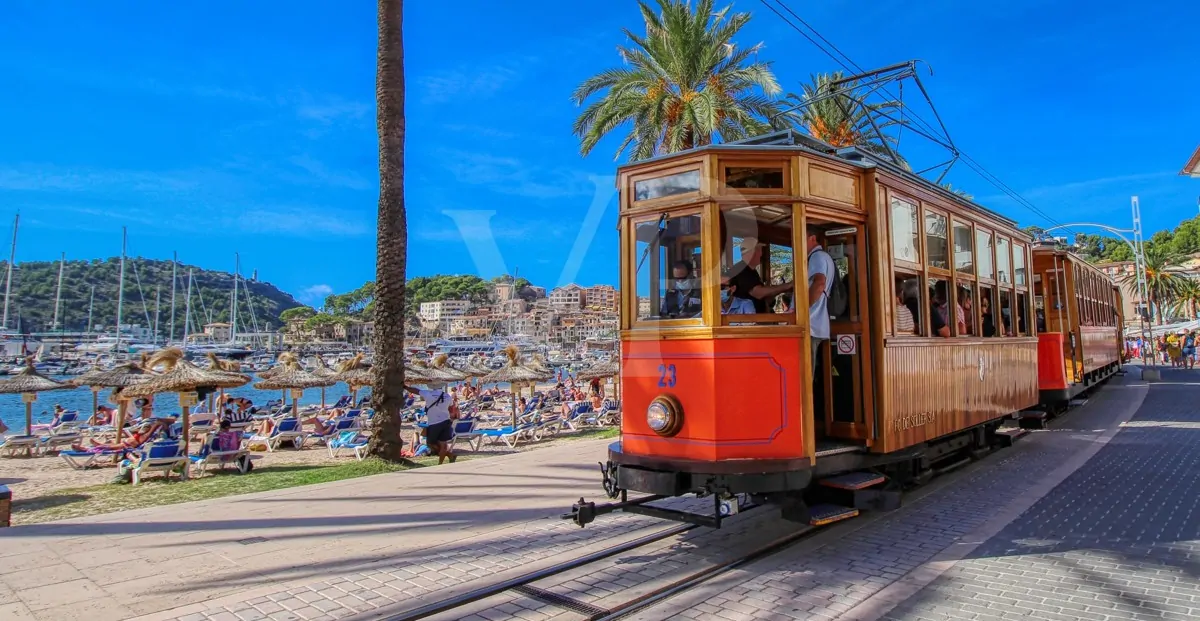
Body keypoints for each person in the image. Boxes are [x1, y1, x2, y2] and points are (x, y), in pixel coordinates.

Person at [726, 237, 794, 314]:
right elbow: (758, 293)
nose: (761, 254)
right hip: (746, 321)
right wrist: (786, 286)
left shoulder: (752, 272)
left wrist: (783, 289)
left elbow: (765, 297)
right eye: (759, 250)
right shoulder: (742, 270)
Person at [404, 381, 458, 464]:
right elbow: (451, 408)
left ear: (431, 387)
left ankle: (447, 457)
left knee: (430, 443)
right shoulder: (447, 396)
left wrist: (405, 387)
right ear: (441, 387)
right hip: (446, 421)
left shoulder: (428, 394)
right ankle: (445, 459)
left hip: (434, 423)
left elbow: (415, 390)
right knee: (443, 444)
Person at [806, 229, 837, 363]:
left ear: (812, 238)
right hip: (815, 323)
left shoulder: (817, 257)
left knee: (806, 373)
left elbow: (819, 284)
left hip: (811, 323)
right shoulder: (823, 256)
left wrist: (801, 310)